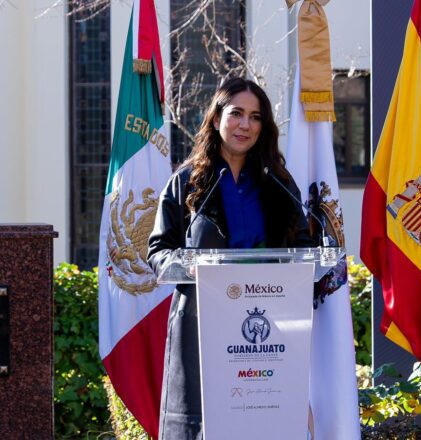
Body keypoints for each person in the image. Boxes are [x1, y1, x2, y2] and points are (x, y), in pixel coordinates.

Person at [147, 78, 314, 439]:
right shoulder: (186, 182)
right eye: (236, 113)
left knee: (261, 421)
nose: (245, 125)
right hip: (201, 324)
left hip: (267, 327)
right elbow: (158, 251)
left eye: (255, 117)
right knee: (205, 425)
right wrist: (187, 265)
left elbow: (302, 247)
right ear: (216, 117)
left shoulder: (278, 182)